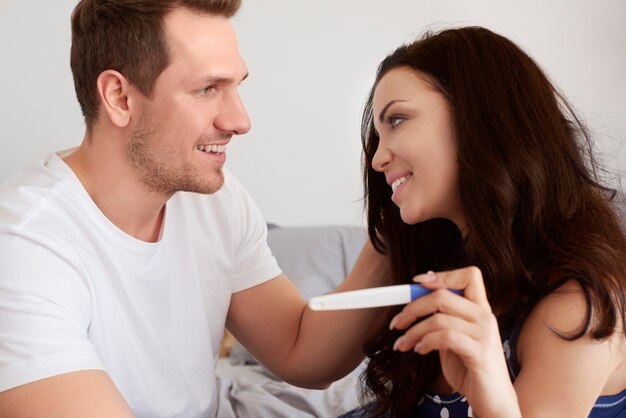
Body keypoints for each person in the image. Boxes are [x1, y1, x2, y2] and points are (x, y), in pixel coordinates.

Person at [0, 1, 391, 417]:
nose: (240, 120)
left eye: (237, 85)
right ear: (119, 97)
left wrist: (395, 232)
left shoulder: (216, 201)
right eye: (207, 89)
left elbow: (299, 349)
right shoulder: (25, 246)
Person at [344, 26, 626, 417]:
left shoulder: (578, 307)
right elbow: (302, 355)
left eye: (397, 120)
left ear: (482, 118)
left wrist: (488, 382)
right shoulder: (441, 260)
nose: (377, 159)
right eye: (378, 134)